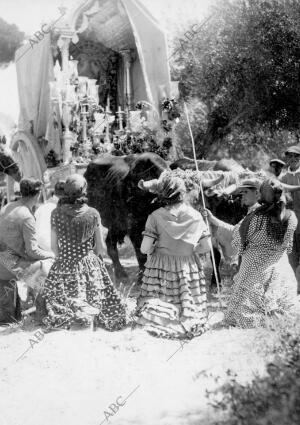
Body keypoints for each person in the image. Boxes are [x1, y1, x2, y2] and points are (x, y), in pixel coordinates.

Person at [42, 174, 126, 331]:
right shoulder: (93, 213)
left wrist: (63, 260)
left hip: (64, 262)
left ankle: (73, 318)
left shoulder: (56, 213)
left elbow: (54, 247)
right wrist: (93, 260)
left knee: (57, 299)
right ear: (84, 191)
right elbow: (100, 247)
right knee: (100, 298)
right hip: (88, 262)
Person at [136, 173, 211, 339]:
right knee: (186, 299)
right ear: (183, 194)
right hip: (187, 265)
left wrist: (156, 248)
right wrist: (188, 250)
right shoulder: (196, 216)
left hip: (161, 266)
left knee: (158, 302)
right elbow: (206, 246)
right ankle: (186, 318)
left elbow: (144, 248)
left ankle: (163, 318)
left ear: (162, 193)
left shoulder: (155, 216)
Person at [219, 179, 298, 328]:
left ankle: (257, 322)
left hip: (254, 268)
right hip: (280, 266)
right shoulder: (291, 217)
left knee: (245, 311)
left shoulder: (254, 217)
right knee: (283, 307)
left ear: (261, 194)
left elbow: (238, 244)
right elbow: (288, 247)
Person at [0, 178, 55, 300]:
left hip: (3, 260)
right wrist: (52, 255)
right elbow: (32, 251)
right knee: (49, 263)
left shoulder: (7, 206)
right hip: (9, 266)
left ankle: (30, 299)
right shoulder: (26, 216)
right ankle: (42, 308)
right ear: (39, 194)